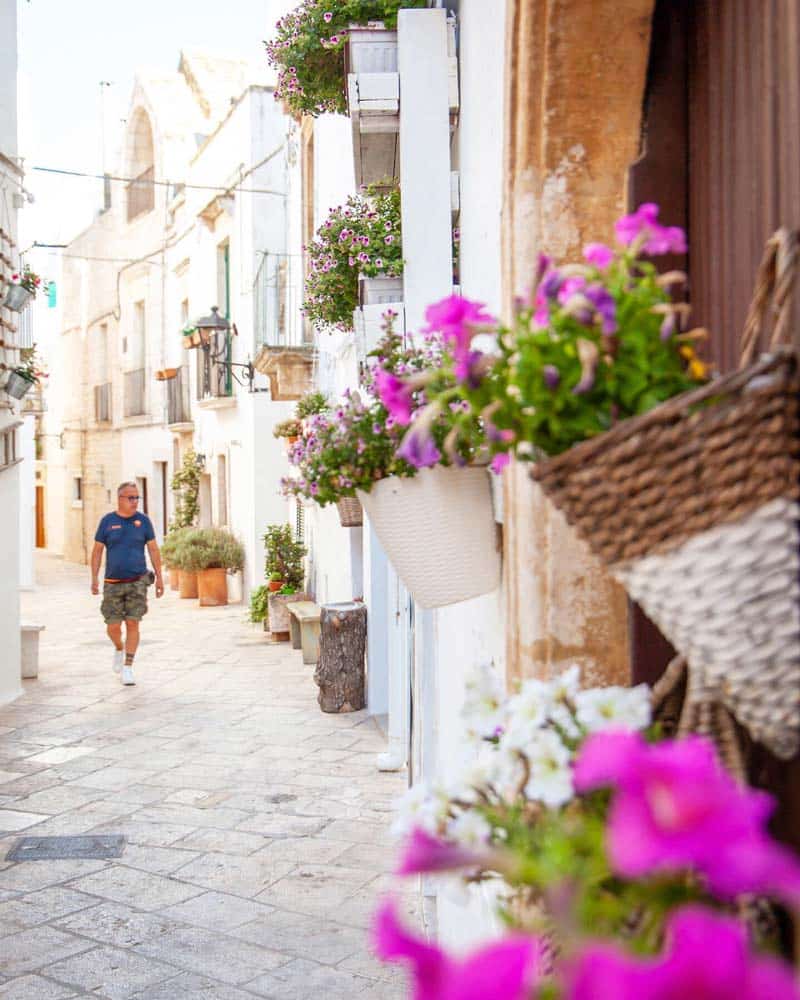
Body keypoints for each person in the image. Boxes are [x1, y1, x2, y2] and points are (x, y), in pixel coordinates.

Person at [91, 481, 164, 685]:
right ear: (120, 499)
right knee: (113, 625)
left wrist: (159, 578)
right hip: (112, 583)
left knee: (133, 622)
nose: (134, 502)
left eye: (137, 497)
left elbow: (154, 550)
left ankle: (128, 667)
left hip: (137, 582)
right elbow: (97, 552)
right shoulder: (107, 522)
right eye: (130, 498)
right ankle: (118, 648)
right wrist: (94, 578)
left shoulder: (143, 522)